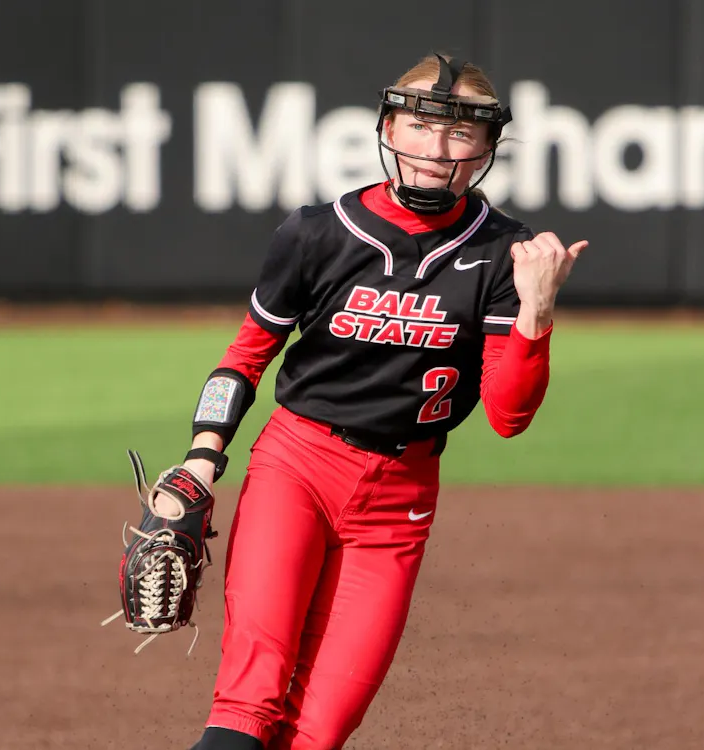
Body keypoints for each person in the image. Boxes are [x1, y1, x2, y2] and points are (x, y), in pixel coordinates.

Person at [113, 52, 588, 750]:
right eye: (420, 126)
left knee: (319, 730)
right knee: (249, 702)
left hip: (400, 499)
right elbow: (245, 356)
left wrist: (536, 313)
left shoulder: (504, 254)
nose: (437, 150)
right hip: (296, 467)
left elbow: (509, 416)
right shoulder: (318, 232)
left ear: (488, 147)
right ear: (388, 127)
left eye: (460, 133)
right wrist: (202, 458)